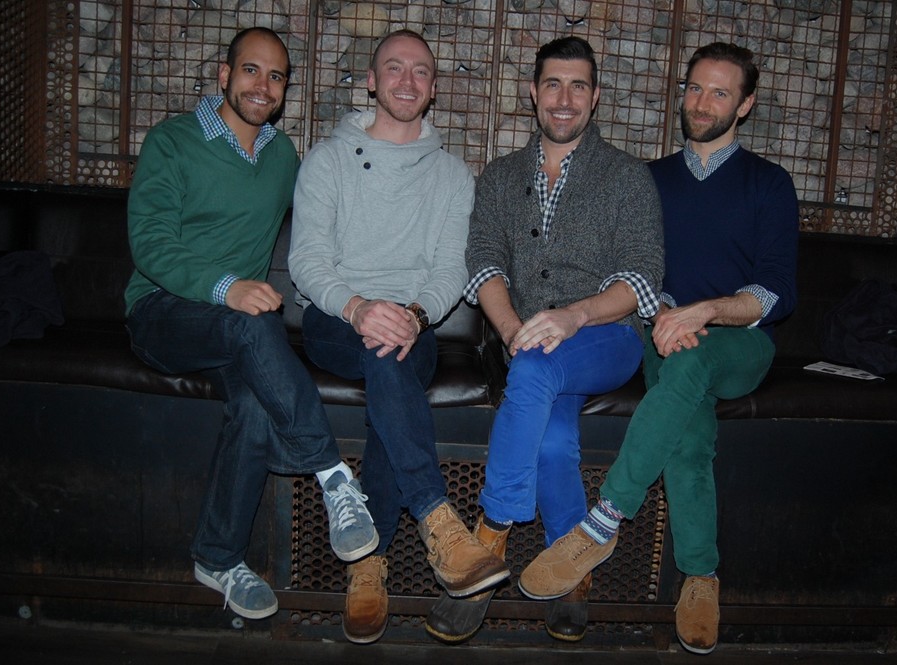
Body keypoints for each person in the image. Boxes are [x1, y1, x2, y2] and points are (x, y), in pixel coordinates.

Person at [518, 42, 799, 655]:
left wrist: (706, 311)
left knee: (692, 357)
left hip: (740, 341)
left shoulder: (769, 184)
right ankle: (700, 577)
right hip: (662, 329)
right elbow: (633, 266)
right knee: (689, 435)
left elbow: (777, 290)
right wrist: (667, 308)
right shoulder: (648, 178)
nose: (702, 102)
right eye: (694, 88)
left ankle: (605, 518)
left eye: (720, 92)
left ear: (745, 104)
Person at [124, 27, 379, 622]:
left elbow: (336, 205)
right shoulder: (172, 142)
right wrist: (227, 287)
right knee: (252, 319)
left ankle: (217, 557)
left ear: (285, 89)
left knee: (256, 401)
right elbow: (150, 244)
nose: (263, 85)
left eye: (276, 76)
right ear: (224, 74)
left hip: (236, 326)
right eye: (250, 70)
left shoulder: (283, 157)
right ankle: (332, 474)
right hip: (161, 312)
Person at [424, 36, 664, 644]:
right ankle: (571, 567)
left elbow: (641, 278)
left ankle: (489, 539)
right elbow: (484, 263)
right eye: (553, 84)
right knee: (553, 439)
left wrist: (574, 316)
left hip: (607, 337)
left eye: (578, 86)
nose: (564, 98)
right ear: (533, 93)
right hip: (528, 340)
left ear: (595, 96)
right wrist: (511, 330)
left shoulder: (627, 177)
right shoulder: (501, 176)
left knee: (533, 369)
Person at [288, 29, 508, 645]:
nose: (407, 81)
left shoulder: (453, 176)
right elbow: (307, 260)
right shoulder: (327, 160)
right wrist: (358, 307)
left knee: (390, 358)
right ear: (371, 81)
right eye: (394, 68)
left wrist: (412, 313)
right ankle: (439, 521)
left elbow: (450, 270)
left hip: (414, 325)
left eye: (420, 72)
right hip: (335, 317)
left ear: (432, 88)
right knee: (380, 348)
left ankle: (367, 564)